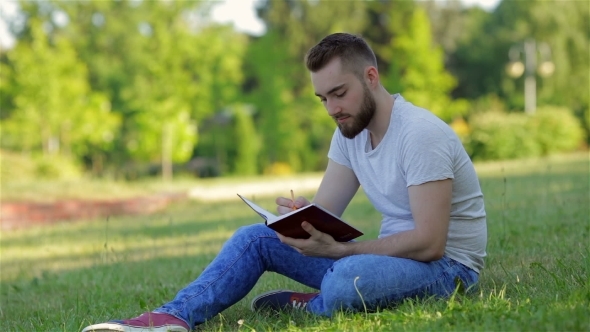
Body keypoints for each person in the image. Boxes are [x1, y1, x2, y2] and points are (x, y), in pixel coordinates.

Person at [82, 32, 487, 332]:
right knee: (253, 238)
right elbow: (328, 213)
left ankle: (316, 305)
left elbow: (431, 242)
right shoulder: (349, 131)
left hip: (445, 270)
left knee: (349, 279)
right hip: (384, 263)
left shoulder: (419, 134)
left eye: (339, 94)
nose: (332, 109)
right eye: (322, 99)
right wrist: (302, 217)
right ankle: (172, 316)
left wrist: (341, 252)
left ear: (371, 77)